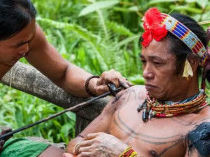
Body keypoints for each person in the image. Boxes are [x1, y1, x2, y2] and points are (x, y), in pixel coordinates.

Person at [0, 0, 131, 157]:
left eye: (29, 41)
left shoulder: (22, 32)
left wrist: (94, 84)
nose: (26, 49)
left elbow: (63, 72)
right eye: (19, 44)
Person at [65, 8, 210, 157]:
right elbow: (77, 142)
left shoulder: (203, 127)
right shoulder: (128, 96)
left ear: (191, 63)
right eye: (143, 61)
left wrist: (124, 154)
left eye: (157, 63)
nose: (146, 73)